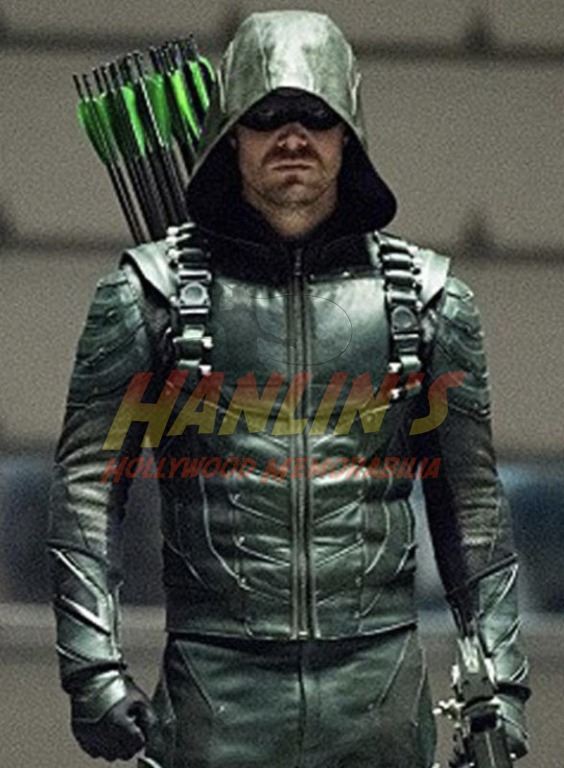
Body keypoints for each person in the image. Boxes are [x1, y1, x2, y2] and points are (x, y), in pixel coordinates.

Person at [47, 10, 530, 768]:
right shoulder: (150, 294)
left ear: (349, 133)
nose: (294, 136)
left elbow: (470, 504)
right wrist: (91, 667)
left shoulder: (429, 299)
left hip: (378, 699)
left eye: (316, 114)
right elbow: (87, 486)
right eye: (267, 115)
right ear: (231, 134)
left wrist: (500, 679)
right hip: (215, 693)